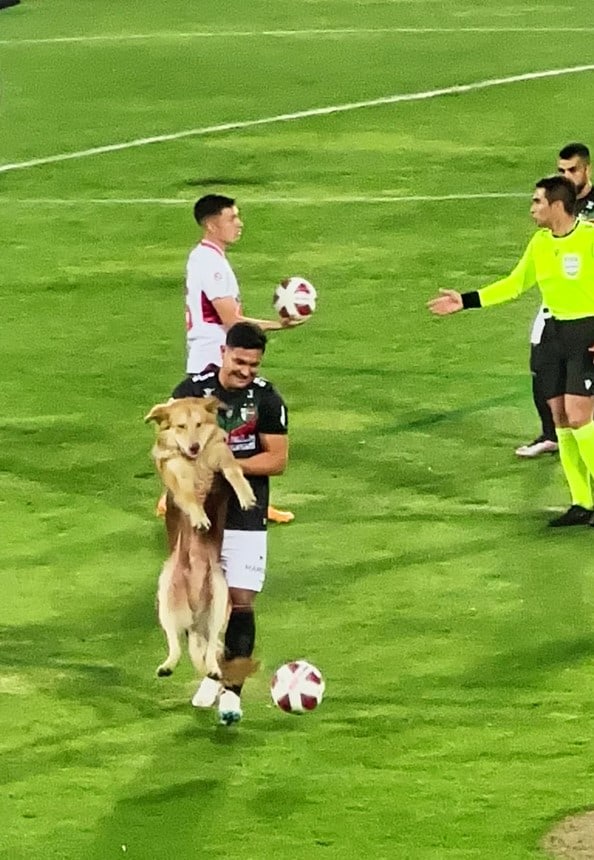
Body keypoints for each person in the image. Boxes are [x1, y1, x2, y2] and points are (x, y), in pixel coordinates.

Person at [428, 175, 594, 527]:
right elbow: (516, 283)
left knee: (580, 416)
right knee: (561, 418)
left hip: (588, 334)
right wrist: (467, 301)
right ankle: (582, 502)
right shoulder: (540, 243)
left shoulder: (590, 240)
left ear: (557, 205)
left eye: (537, 202)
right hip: (554, 335)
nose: (532, 208)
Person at [169, 322, 289, 724]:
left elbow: (277, 459)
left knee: (241, 602)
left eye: (253, 365)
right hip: (200, 512)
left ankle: (233, 692)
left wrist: (227, 466)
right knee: (199, 601)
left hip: (245, 510)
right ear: (223, 352)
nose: (245, 371)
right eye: (239, 361)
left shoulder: (267, 399)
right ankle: (210, 670)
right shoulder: (191, 391)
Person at [168, 193, 302, 525]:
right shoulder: (211, 264)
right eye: (232, 218)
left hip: (210, 350)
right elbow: (231, 320)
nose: (239, 223)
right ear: (212, 224)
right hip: (214, 355)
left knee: (215, 430)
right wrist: (278, 325)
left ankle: (247, 498)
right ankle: (188, 497)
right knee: (215, 429)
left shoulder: (207, 257)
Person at [516, 143, 594, 457]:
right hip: (558, 303)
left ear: (586, 169)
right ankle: (551, 433)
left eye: (572, 169)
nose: (567, 175)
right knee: (541, 363)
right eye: (562, 170)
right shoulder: (558, 206)